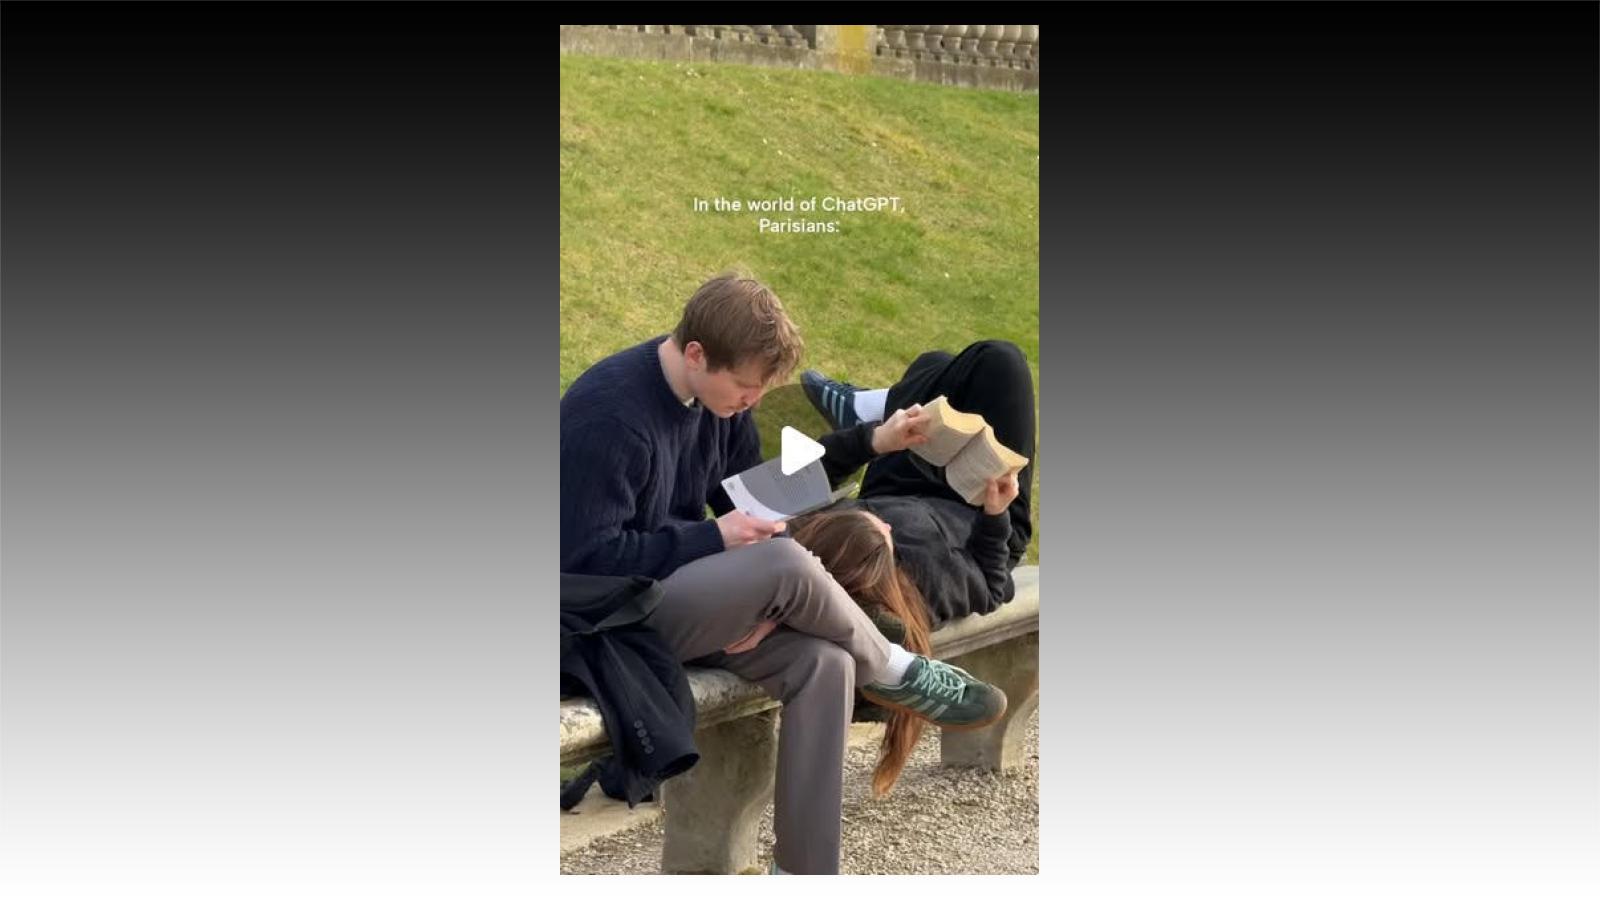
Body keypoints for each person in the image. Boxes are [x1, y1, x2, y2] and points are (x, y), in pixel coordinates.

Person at [559, 272, 1007, 875]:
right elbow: (581, 563)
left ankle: (803, 873)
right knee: (784, 563)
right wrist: (713, 538)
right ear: (697, 354)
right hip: (603, 621)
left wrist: (874, 442)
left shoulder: (716, 401)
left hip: (677, 602)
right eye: (746, 387)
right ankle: (893, 668)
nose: (752, 402)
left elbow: (760, 497)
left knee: (827, 664)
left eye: (759, 391)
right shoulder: (609, 416)